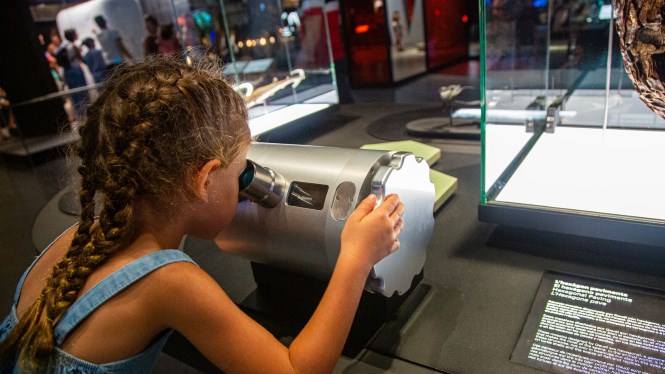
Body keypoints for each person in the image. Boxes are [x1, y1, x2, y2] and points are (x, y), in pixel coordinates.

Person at [0, 55, 404, 373]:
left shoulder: (77, 240)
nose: (246, 182)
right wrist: (355, 258)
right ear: (206, 179)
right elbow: (296, 371)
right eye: (240, 170)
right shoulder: (169, 280)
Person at [58, 29, 89, 118]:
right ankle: (85, 115)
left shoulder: (62, 46)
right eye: (75, 33)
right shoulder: (72, 46)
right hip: (76, 70)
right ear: (72, 35)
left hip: (67, 72)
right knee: (83, 93)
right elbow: (81, 58)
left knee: (74, 95)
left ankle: (79, 115)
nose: (77, 35)